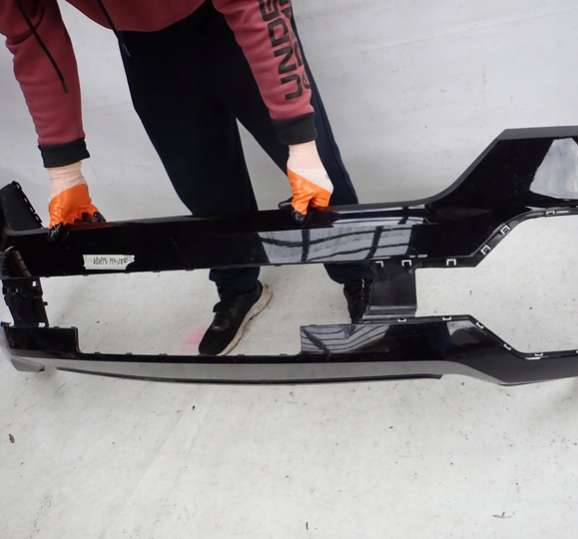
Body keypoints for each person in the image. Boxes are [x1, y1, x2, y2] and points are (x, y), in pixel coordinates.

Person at [1, 0, 375, 355]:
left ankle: (360, 272)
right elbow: (33, 32)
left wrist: (300, 139)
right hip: (147, 48)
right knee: (204, 185)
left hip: (227, 17)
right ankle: (238, 286)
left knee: (315, 171)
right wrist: (65, 173)